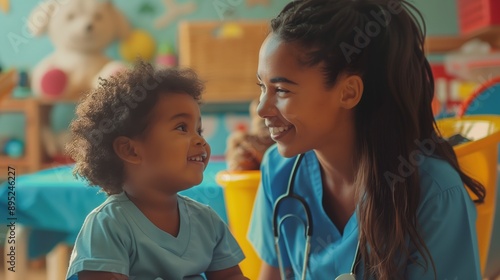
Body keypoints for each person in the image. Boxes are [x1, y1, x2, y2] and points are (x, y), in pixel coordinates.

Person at [248, 0, 486, 279]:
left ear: (348, 93)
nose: (262, 108)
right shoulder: (279, 171)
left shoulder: (434, 192)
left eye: (282, 90)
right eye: (262, 87)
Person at [65, 61, 247, 280]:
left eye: (199, 130)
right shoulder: (108, 225)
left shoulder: (207, 220)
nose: (200, 140)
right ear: (130, 150)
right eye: (182, 128)